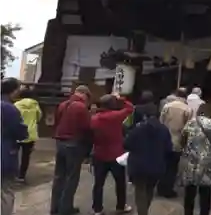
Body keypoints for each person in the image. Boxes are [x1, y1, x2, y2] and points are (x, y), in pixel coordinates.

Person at [50, 84, 93, 215]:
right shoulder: (81, 107)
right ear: (85, 95)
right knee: (71, 178)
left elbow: (57, 121)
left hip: (60, 142)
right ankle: (65, 208)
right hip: (74, 144)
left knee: (59, 177)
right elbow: (86, 128)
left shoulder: (63, 105)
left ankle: (55, 207)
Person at [90, 91, 134, 215]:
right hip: (116, 154)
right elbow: (130, 108)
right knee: (120, 182)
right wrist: (120, 98)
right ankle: (121, 205)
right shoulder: (115, 116)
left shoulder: (94, 119)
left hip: (99, 153)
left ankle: (97, 209)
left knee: (98, 184)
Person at [125, 104, 172, 215]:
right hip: (157, 165)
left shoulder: (138, 129)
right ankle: (145, 209)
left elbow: (126, 144)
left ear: (144, 116)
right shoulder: (164, 129)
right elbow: (168, 148)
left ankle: (142, 212)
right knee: (150, 189)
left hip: (139, 165)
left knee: (140, 190)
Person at [181, 103, 211, 215]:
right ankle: (204, 212)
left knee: (190, 191)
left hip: (191, 160)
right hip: (207, 162)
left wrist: (186, 148)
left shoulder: (191, 122)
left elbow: (183, 136)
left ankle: (188, 212)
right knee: (205, 191)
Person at [158, 87, 192, 198]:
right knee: (172, 167)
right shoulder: (187, 109)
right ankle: (168, 189)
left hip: (164, 139)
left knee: (163, 164)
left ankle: (160, 187)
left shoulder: (167, 106)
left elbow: (161, 122)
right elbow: (188, 128)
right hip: (177, 140)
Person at [1, 78, 28, 215]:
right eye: (18, 89)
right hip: (4, 154)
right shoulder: (9, 108)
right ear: (13, 91)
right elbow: (21, 132)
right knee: (5, 191)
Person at [14, 87, 43, 183]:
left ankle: (13, 173)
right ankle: (22, 176)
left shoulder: (17, 105)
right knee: (26, 156)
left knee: (14, 154)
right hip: (30, 134)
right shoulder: (35, 105)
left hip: (17, 132)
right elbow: (39, 117)